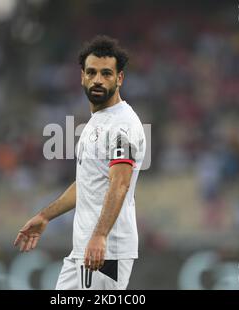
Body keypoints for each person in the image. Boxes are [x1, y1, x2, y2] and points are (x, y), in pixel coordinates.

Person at [14, 35, 146, 290]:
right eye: (92, 72)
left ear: (120, 79)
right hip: (84, 248)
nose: (98, 79)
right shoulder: (96, 122)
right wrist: (45, 216)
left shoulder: (122, 125)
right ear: (82, 77)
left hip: (106, 249)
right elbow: (88, 183)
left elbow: (119, 185)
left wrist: (99, 235)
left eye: (106, 73)